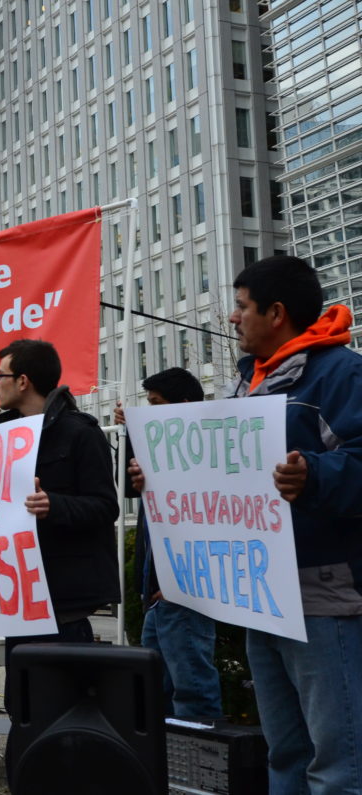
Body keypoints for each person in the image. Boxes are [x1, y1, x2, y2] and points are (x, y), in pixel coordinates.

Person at [226, 255, 362, 792]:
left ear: (276, 313)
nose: (233, 318)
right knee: (285, 754)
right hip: (265, 594)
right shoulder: (249, 384)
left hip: (322, 594)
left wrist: (314, 476)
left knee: (338, 763)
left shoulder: (341, 374)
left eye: (241, 307)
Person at [0, 340, 120, 683]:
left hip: (64, 607)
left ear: (22, 381)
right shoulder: (0, 440)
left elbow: (106, 506)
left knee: (63, 712)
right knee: (22, 709)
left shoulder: (81, 433)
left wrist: (54, 504)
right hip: (18, 600)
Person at [116, 368, 222, 720]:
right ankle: (167, 766)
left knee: (191, 687)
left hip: (183, 591)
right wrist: (133, 434)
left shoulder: (203, 458)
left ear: (184, 407)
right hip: (159, 593)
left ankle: (198, 764)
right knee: (156, 688)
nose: (148, 412)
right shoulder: (165, 455)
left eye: (155, 404)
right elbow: (131, 486)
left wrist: (177, 582)